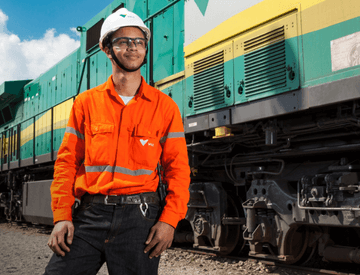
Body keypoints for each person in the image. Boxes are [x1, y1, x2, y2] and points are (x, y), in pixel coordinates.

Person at [44, 8, 190, 275]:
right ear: (106, 49)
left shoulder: (165, 107)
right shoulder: (86, 103)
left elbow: (178, 170)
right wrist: (62, 216)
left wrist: (169, 221)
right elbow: (66, 163)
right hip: (89, 217)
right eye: (123, 41)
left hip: (140, 219)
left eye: (139, 42)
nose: (133, 48)